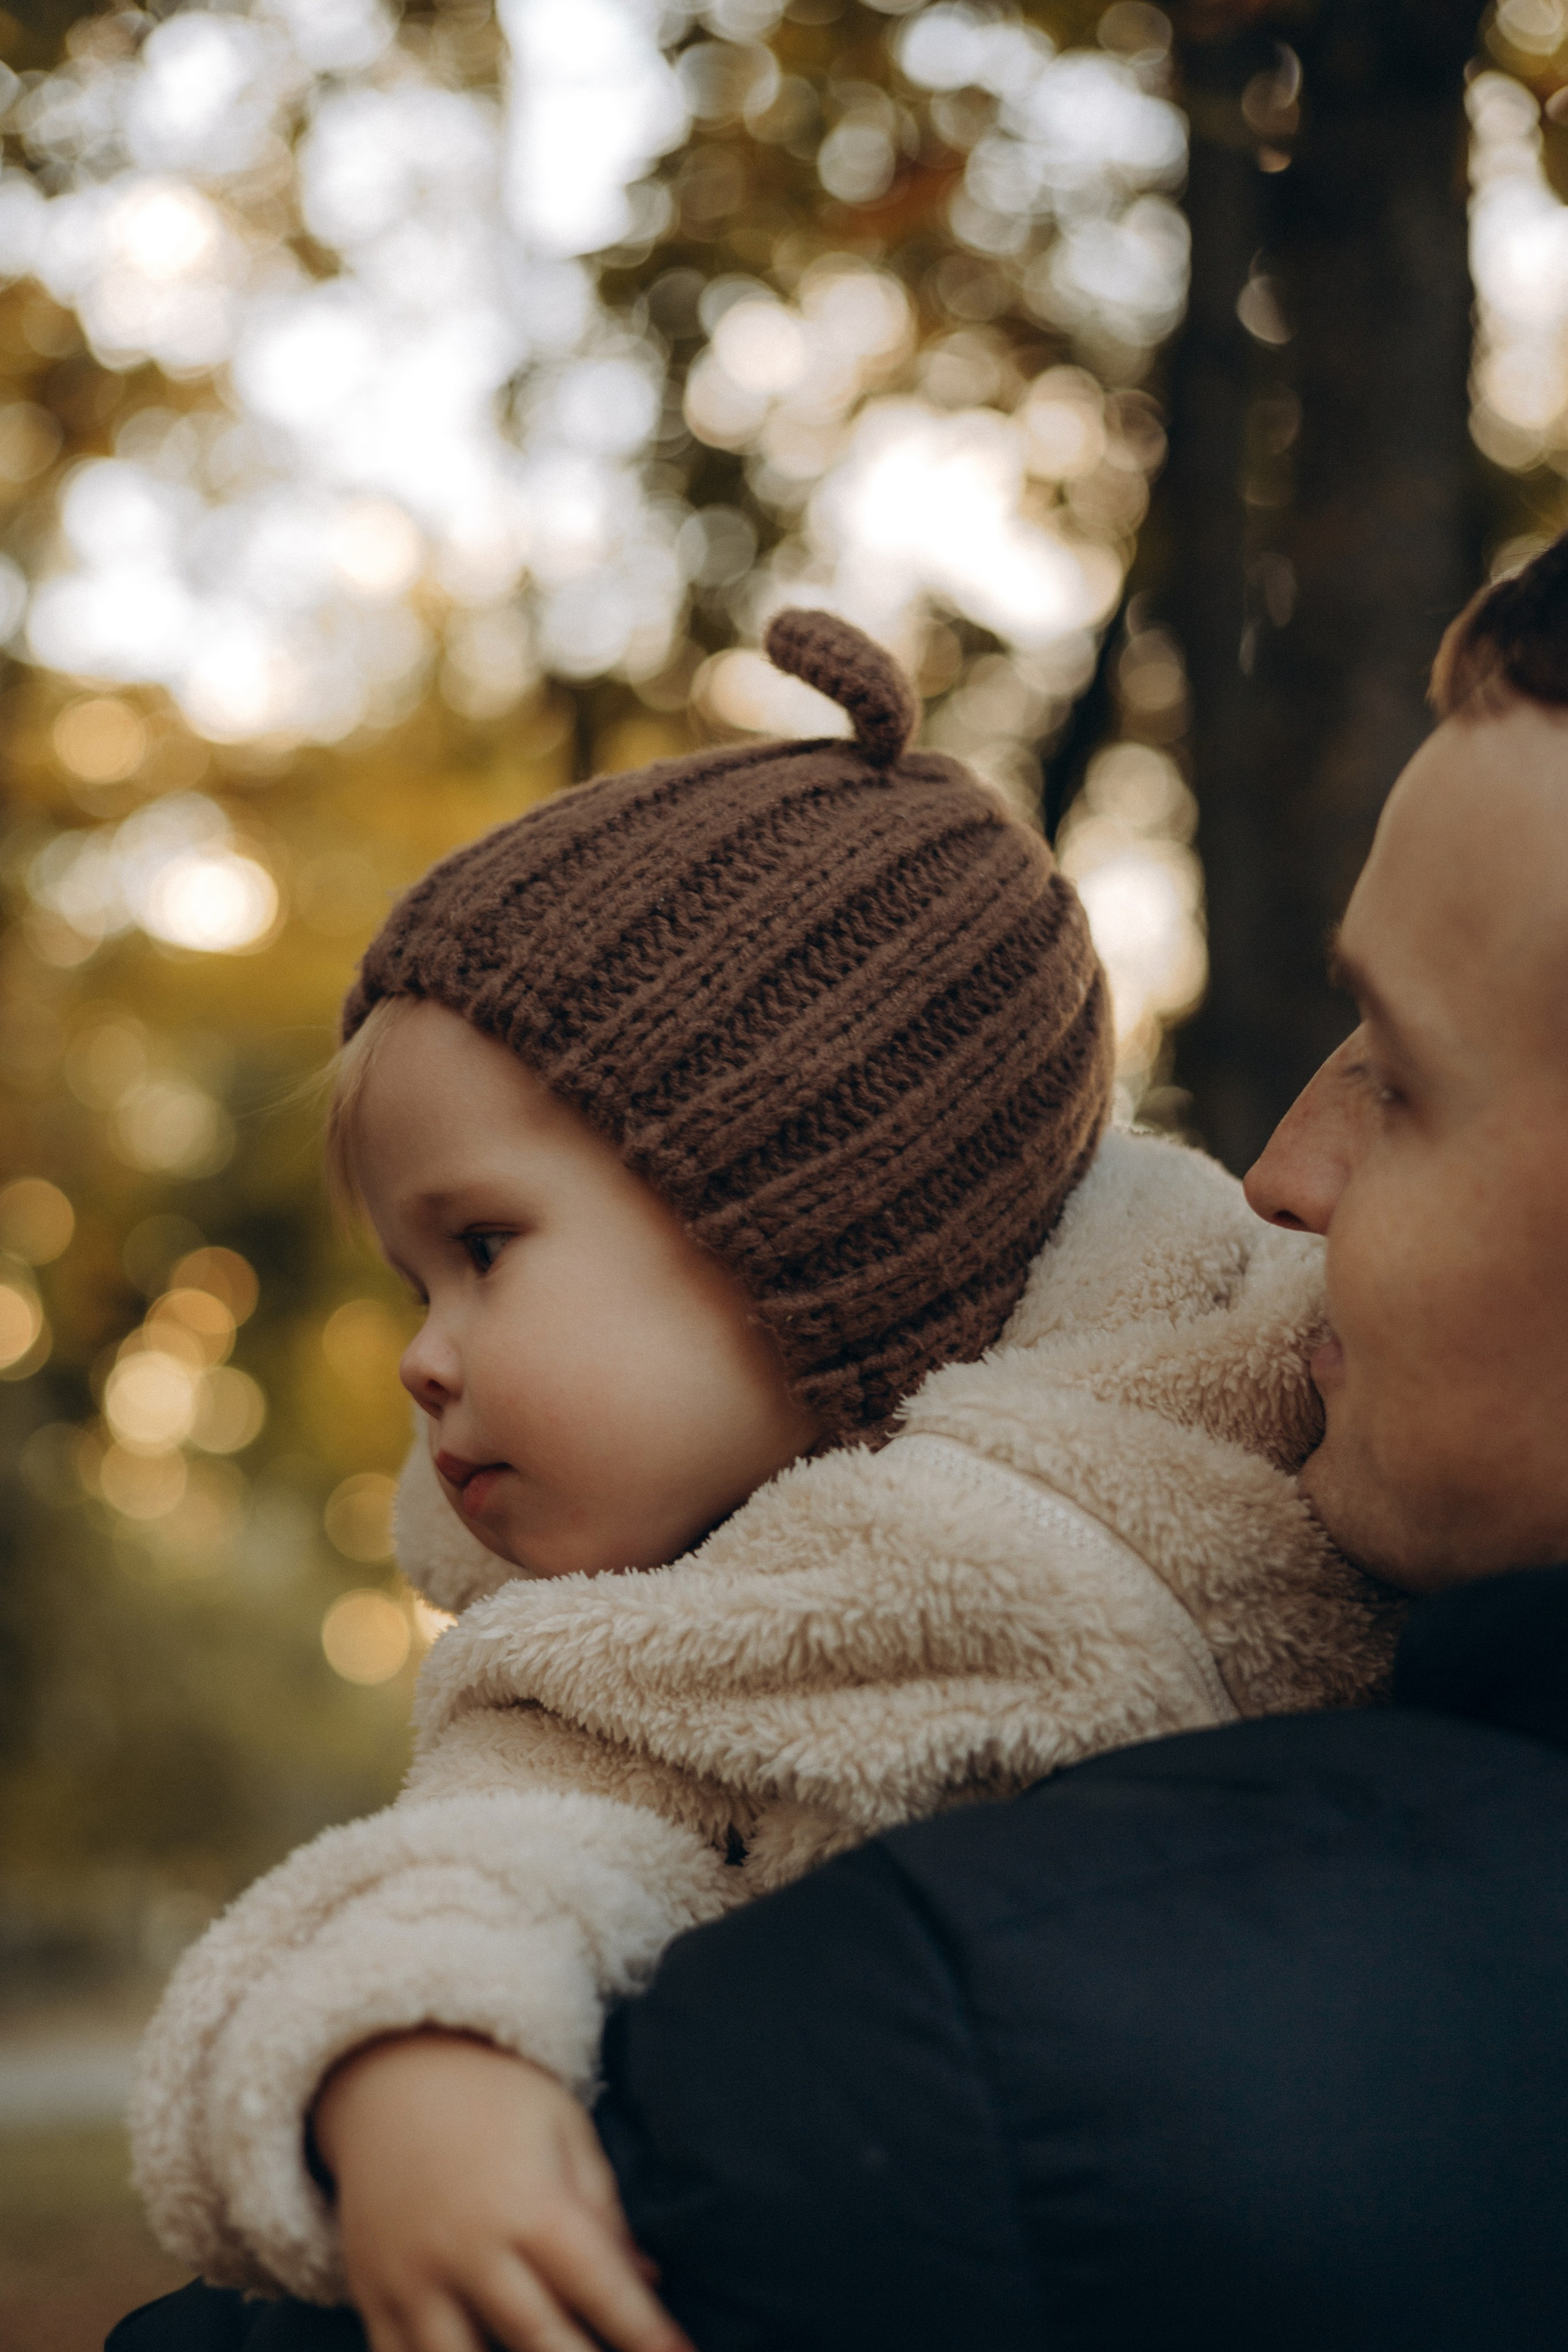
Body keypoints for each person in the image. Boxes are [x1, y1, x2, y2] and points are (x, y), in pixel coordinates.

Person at [112, 608, 1397, 2352]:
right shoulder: (620, 1650)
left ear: (797, 1208)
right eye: (420, 1280)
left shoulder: (1287, 1386)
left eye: (485, 1246)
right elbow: (487, 1858)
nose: (424, 1356)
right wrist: (410, 2065)